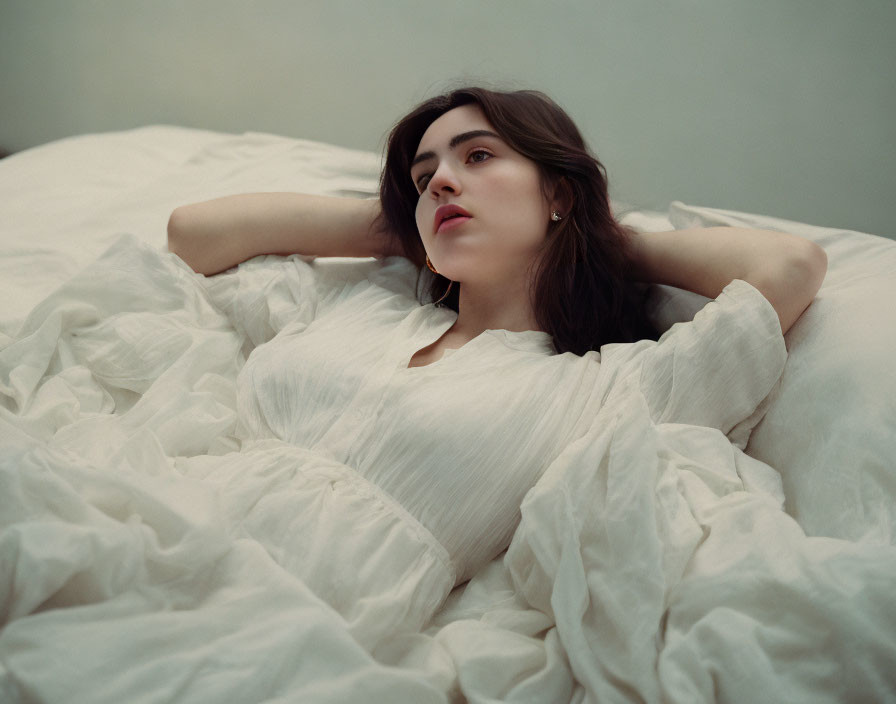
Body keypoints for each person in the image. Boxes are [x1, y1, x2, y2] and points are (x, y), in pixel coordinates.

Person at [166, 85, 827, 593]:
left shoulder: (604, 387)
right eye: (426, 178)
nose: (445, 181)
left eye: (478, 156)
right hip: (166, 524)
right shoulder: (366, 309)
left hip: (291, 614)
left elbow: (789, 267)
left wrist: (596, 236)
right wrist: (412, 225)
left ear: (557, 193)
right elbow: (194, 234)